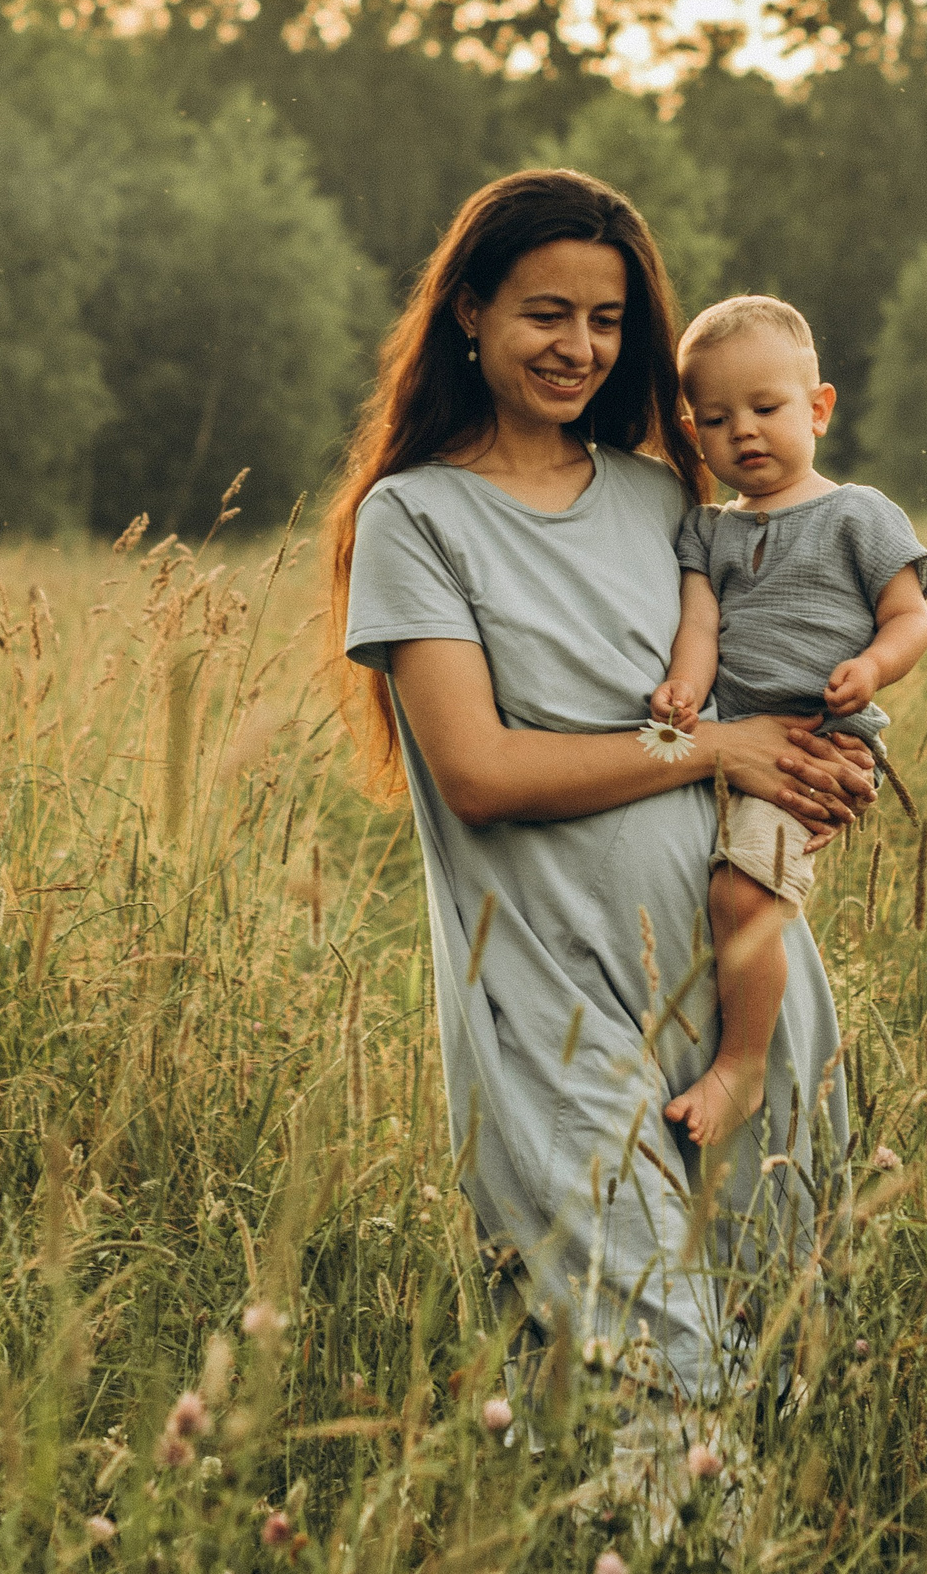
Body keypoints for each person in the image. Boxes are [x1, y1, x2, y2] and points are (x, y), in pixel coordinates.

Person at [327, 170, 871, 1399]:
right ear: (468, 311)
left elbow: (768, 687)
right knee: (652, 1401)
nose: (579, 347)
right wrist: (716, 751)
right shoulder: (414, 519)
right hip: (551, 1009)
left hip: (741, 993)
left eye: (608, 320)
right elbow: (477, 773)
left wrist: (819, 758)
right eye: (545, 313)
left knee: (796, 1378)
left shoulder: (668, 492)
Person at [650, 297, 927, 1146]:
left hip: (821, 738)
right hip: (731, 734)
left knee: (742, 892)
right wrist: (680, 689)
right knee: (705, 888)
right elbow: (700, 627)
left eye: (767, 409)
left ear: (818, 408)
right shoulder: (707, 529)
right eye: (716, 418)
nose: (744, 432)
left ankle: (741, 1064)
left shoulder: (858, 513)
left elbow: (910, 615)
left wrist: (873, 666)